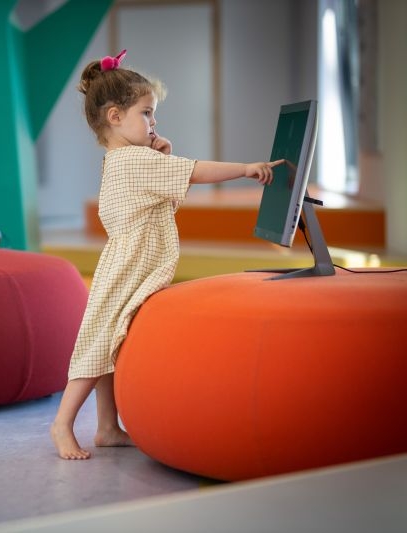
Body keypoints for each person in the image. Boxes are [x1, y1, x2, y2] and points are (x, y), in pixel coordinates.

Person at [50, 49, 282, 460]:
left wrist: (162, 155)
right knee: (97, 347)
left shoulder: (123, 158)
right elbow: (195, 171)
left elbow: (160, 194)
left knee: (107, 344)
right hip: (127, 267)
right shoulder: (134, 160)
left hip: (125, 263)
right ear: (115, 116)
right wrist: (245, 168)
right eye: (146, 113)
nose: (154, 123)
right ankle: (62, 424)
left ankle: (107, 427)